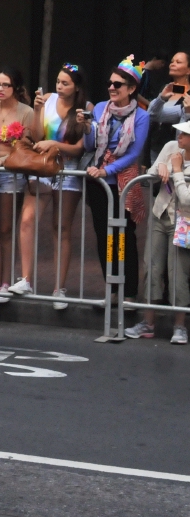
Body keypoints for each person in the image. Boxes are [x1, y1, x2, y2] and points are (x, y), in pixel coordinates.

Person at [17, 64, 91, 310]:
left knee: (61, 227)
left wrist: (55, 144)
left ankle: (59, 288)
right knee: (27, 219)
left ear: (77, 87)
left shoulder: (85, 109)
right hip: (43, 166)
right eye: (58, 82)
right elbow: (37, 136)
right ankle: (25, 279)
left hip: (69, 169)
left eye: (65, 83)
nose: (59, 87)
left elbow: (81, 147)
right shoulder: (47, 100)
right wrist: (37, 110)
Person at [85, 56, 149, 316]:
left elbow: (134, 153)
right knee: (104, 238)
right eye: (110, 83)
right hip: (98, 183)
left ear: (131, 89)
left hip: (122, 183)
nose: (112, 88)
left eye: (118, 85)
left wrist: (107, 170)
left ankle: (129, 293)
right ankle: (112, 291)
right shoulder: (100, 108)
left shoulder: (141, 115)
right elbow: (91, 145)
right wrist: (85, 128)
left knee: (124, 238)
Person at [126, 121, 190, 343]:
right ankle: (148, 322)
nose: (179, 135)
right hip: (159, 213)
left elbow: (187, 200)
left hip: (184, 221)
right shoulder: (171, 147)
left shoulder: (180, 160)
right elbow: (151, 175)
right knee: (151, 267)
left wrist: (177, 171)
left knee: (178, 272)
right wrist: (159, 168)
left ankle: (180, 326)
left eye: (185, 133)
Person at [0, 68, 34, 302]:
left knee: (6, 229)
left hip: (11, 171)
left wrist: (2, 159)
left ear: (15, 88)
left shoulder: (26, 112)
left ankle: (7, 282)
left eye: (6, 85)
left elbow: (26, 147)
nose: (1, 89)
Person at [145, 50, 189, 162]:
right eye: (172, 61)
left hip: (177, 151)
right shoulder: (166, 89)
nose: (172, 64)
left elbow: (184, 120)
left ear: (188, 70)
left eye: (178, 62)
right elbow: (151, 116)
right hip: (156, 147)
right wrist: (161, 98)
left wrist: (188, 112)